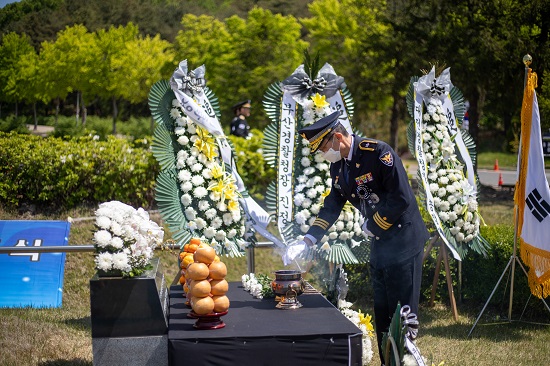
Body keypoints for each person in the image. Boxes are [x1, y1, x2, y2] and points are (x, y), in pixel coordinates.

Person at [290, 110, 429, 364]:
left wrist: (374, 225)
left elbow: (401, 198)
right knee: (383, 310)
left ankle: (408, 360)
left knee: (403, 312)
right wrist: (308, 239)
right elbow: (332, 204)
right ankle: (389, 360)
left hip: (403, 238)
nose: (322, 154)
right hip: (380, 243)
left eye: (322, 147)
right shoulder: (339, 166)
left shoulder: (377, 153)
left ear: (338, 137)